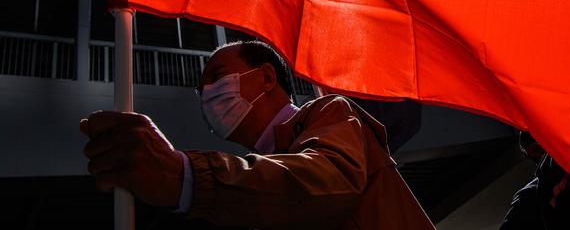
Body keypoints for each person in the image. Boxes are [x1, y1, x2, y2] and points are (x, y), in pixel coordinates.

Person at [81, 40, 435, 229]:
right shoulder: (262, 191)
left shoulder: (329, 113)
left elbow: (331, 181)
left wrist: (184, 176)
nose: (206, 92)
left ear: (266, 78)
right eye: (201, 88)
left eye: (216, 76)